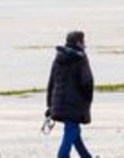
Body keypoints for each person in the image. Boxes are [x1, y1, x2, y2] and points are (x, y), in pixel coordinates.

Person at [46, 30, 95, 158]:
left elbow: (51, 82)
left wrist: (49, 105)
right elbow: (87, 82)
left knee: (74, 131)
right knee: (71, 130)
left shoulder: (58, 58)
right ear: (79, 43)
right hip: (75, 105)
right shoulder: (81, 58)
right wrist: (87, 100)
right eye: (84, 42)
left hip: (59, 103)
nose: (85, 45)